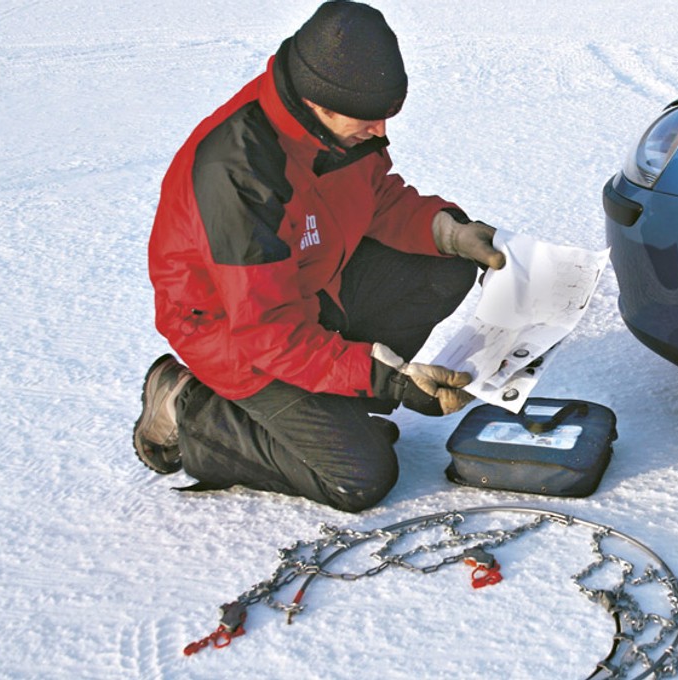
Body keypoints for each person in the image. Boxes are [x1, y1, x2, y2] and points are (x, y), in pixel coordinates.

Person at [132, 0, 505, 512]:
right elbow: (267, 331)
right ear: (319, 103)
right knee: (358, 477)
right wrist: (386, 377)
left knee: (442, 267)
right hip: (234, 334)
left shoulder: (335, 126)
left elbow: (376, 197)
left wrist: (446, 231)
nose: (382, 132)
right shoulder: (239, 175)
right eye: (371, 119)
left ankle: (335, 404)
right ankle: (187, 406)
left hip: (310, 286)